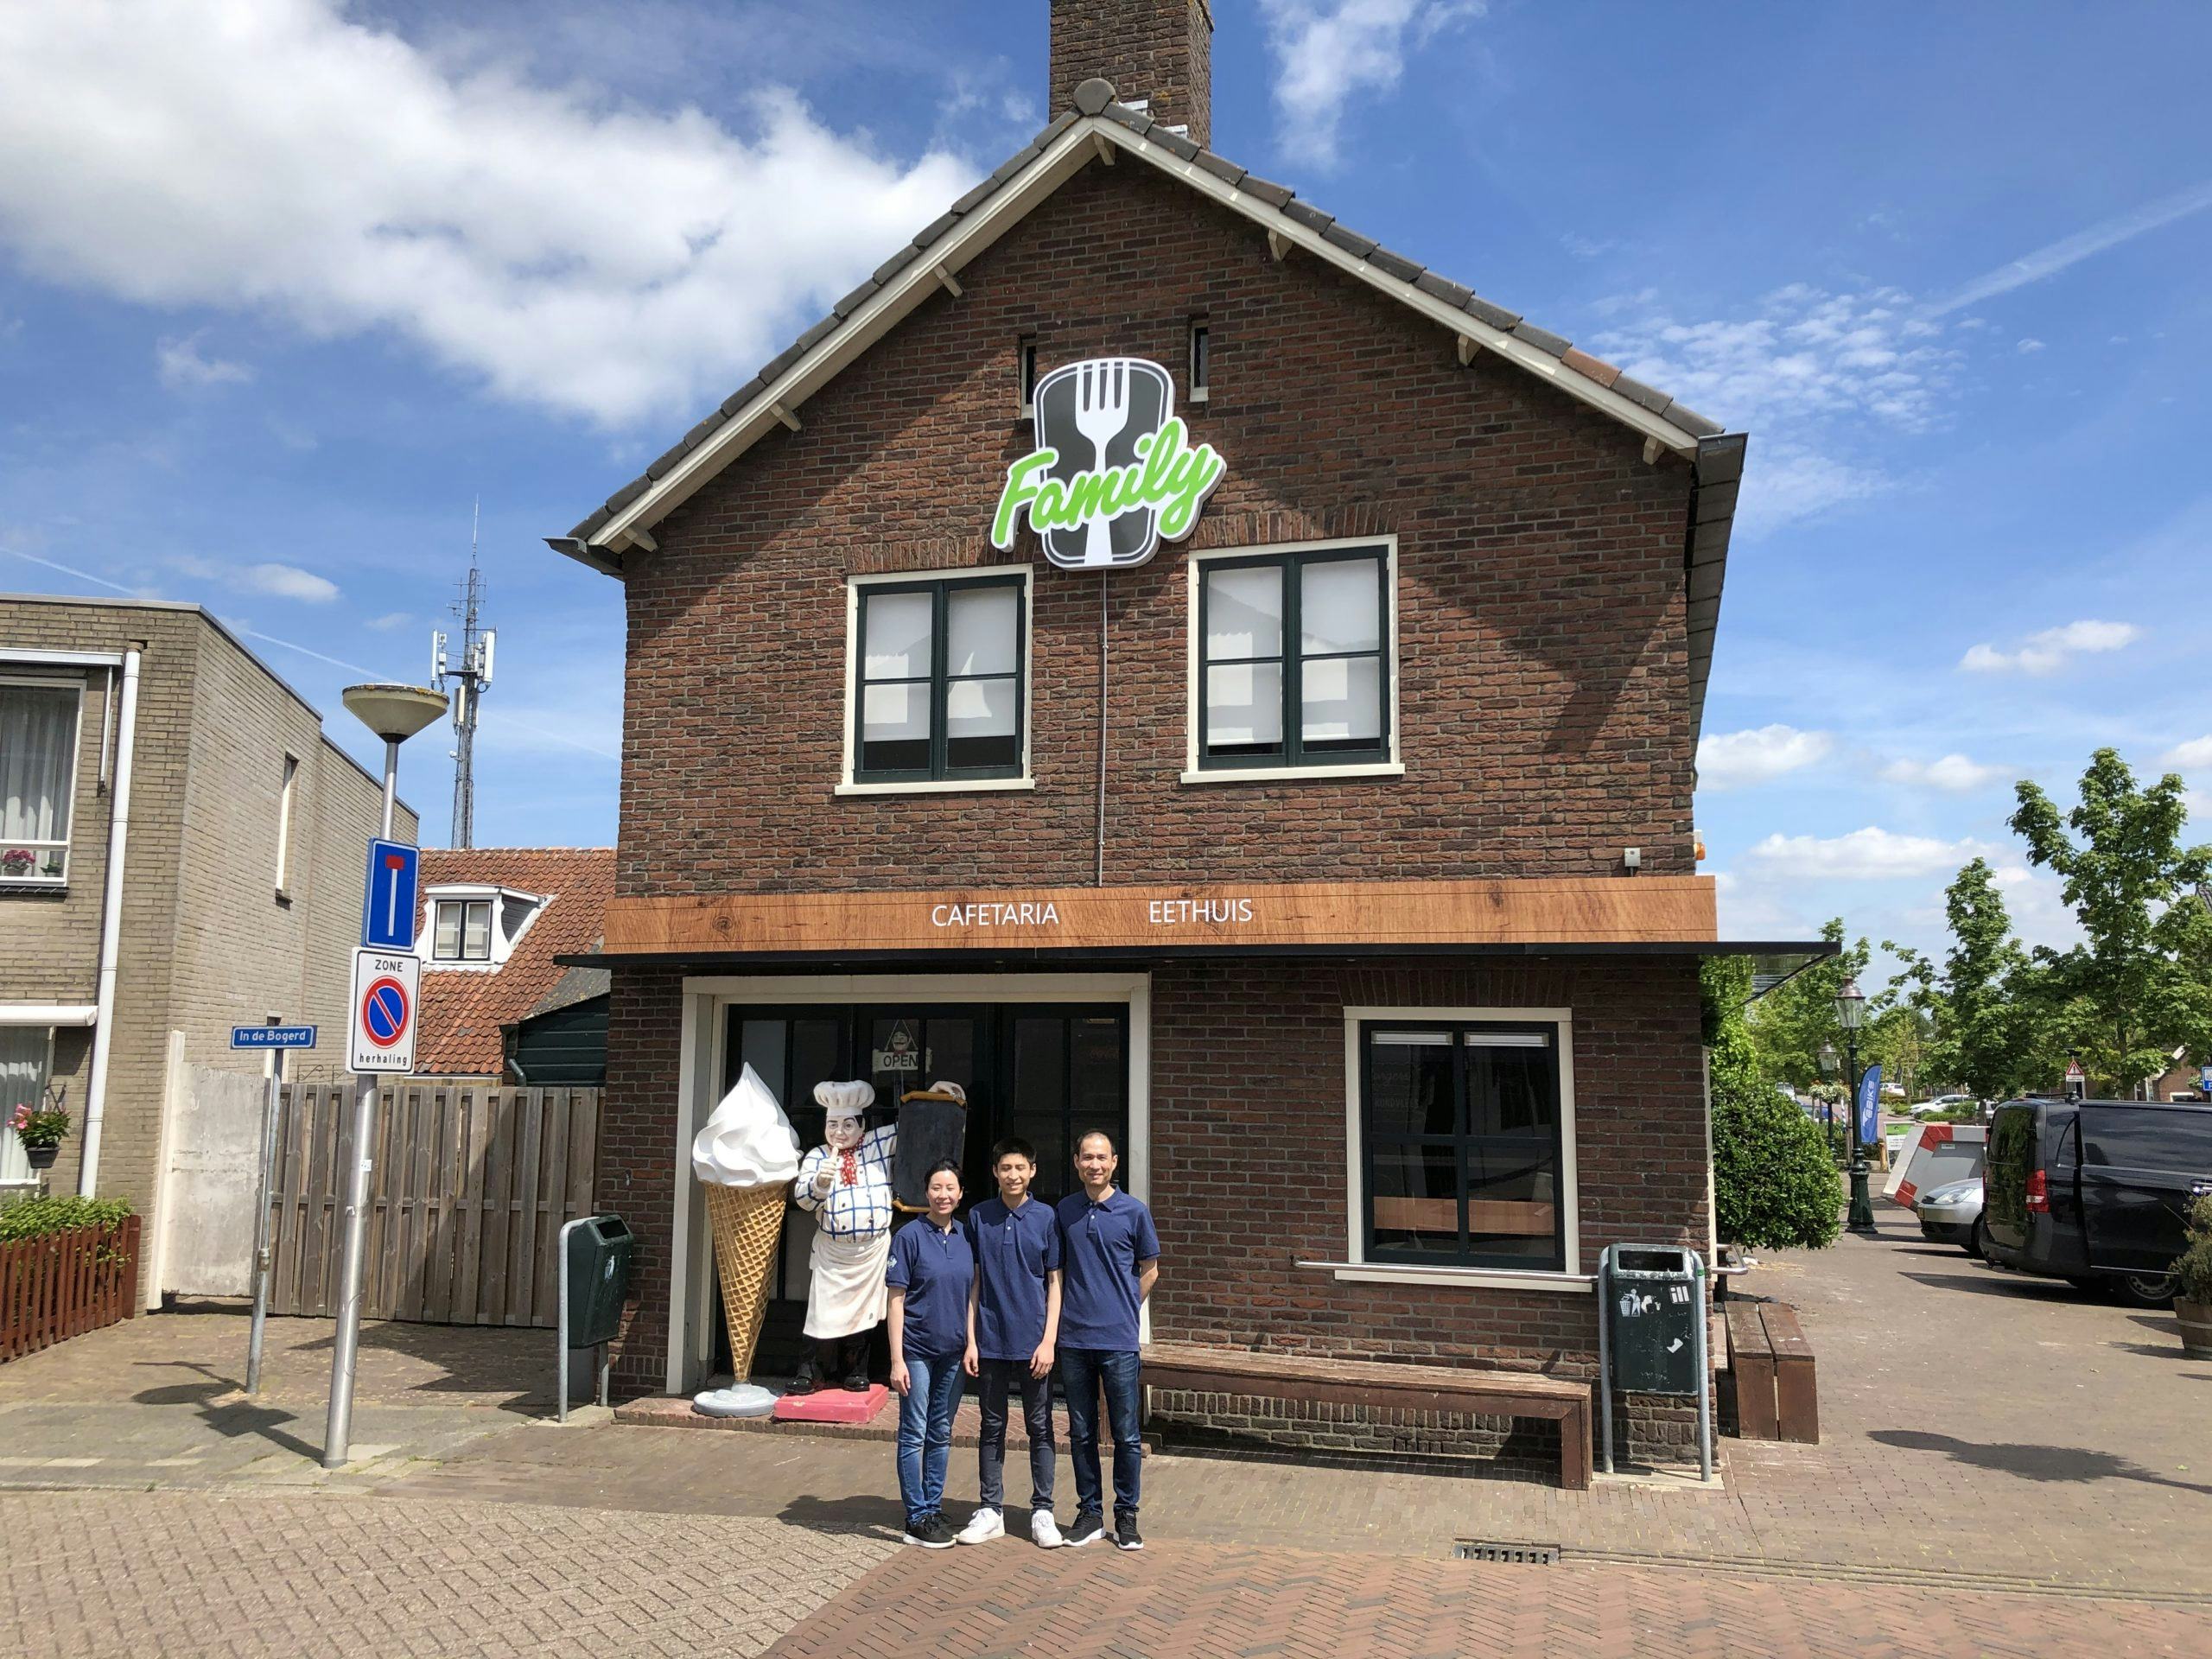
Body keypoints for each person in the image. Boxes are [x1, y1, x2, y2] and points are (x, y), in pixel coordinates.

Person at [956, 1137, 1064, 1548]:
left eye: (1020, 1168)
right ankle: (991, 1510)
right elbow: (974, 1282)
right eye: (1006, 1168)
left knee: (1040, 1426)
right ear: (995, 1172)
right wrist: (971, 1340)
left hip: (1034, 1342)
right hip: (990, 1340)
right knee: (991, 1425)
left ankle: (1043, 1510)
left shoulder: (1047, 1217)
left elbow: (1055, 1283)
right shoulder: (979, 1216)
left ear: (1032, 1171)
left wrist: (1049, 1340)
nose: (1013, 1175)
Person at [1054, 1130, 1160, 1551]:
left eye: (1101, 1158)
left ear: (1114, 1162)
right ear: (1076, 1163)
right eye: (1087, 1158)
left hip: (1118, 1341)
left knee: (1126, 1434)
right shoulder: (1065, 1211)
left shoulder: (1134, 1211)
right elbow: (1057, 1270)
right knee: (1081, 1432)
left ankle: (1127, 1515)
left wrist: (1125, 1308)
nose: (1094, 1165)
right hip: (1074, 1339)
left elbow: (1150, 1269)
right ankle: (1090, 1513)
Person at [885, 1159, 975, 1548]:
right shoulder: (908, 1237)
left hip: (954, 1353)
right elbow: (896, 1299)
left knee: (941, 1431)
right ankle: (916, 1516)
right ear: (926, 1192)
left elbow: (972, 1294)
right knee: (914, 1432)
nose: (943, 1195)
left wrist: (972, 1342)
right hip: (917, 1351)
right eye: (936, 1188)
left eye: (950, 1188)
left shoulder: (966, 1237)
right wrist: (896, 1359)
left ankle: (933, 1507)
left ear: (960, 1193)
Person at [791, 1082, 896, 1393]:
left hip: (871, 1252)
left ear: (862, 1126)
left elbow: (915, 1127)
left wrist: (935, 1097)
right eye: (833, 1124)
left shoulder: (877, 1145)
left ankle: (856, 1371)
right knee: (820, 1314)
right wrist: (820, 1183)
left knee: (864, 1314)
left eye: (848, 1124)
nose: (840, 1132)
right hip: (833, 1252)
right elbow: (803, 1200)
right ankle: (809, 1372)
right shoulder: (817, 1156)